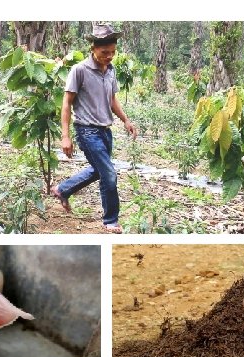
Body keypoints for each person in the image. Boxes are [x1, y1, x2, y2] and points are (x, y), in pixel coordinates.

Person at [50, 23, 138, 234]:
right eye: (104, 52)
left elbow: (112, 99)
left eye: (112, 53)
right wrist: (65, 136)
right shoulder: (79, 70)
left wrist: (125, 120)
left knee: (99, 171)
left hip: (105, 131)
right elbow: (66, 103)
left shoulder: (111, 70)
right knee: (109, 174)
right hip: (87, 131)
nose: (109, 56)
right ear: (93, 49)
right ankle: (110, 221)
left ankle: (63, 190)